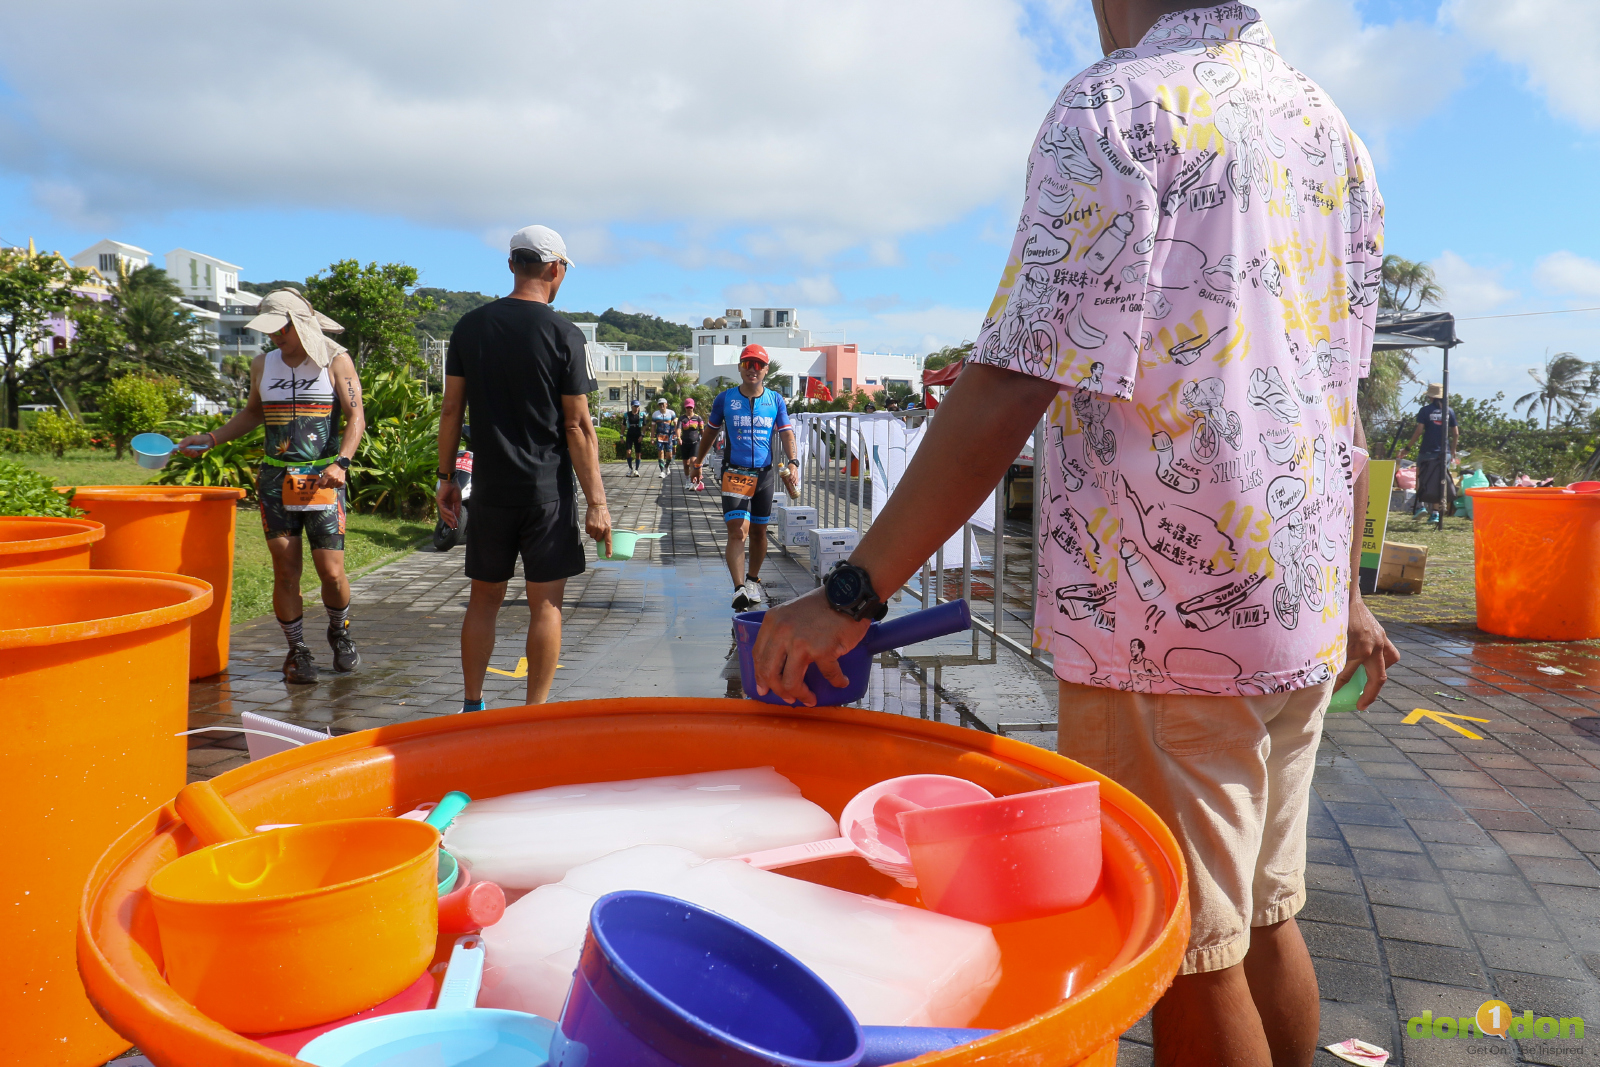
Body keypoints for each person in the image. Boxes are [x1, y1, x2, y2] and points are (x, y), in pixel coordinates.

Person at [750, 5, 1400, 1066]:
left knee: (1191, 943)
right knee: (1265, 910)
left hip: (1168, 608)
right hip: (1294, 605)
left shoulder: (1119, 106)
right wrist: (1349, 593)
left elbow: (1010, 375)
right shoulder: (1328, 129)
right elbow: (1333, 390)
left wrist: (853, 591)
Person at [437, 224, 612, 711]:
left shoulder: (470, 327)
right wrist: (597, 502)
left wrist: (446, 479)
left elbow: (451, 410)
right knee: (546, 604)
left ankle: (472, 704)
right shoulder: (565, 335)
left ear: (511, 264)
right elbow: (577, 426)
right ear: (556, 268)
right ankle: (534, 712)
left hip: (490, 488)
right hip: (546, 494)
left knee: (483, 599)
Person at [179, 289, 365, 684]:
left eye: (281, 328)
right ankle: (297, 652)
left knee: (331, 572)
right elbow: (252, 414)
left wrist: (342, 463)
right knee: (285, 571)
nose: (275, 337)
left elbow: (356, 417)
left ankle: (341, 632)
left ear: (300, 324)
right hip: (275, 479)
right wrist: (211, 438)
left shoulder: (335, 360)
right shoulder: (263, 364)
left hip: (323, 479)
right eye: (271, 330)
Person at [695, 344, 800, 610]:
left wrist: (794, 462)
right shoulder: (725, 398)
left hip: (764, 474)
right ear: (740, 367)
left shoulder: (775, 400)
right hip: (735, 473)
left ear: (766, 370)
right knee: (738, 532)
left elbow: (787, 433)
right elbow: (709, 433)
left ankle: (752, 580)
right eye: (747, 364)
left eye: (758, 365)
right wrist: (698, 461)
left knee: (759, 531)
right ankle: (739, 587)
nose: (752, 370)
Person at [1401, 383, 1458, 523]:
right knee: (1440, 481)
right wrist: (1453, 450)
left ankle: (1420, 506)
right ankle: (1435, 513)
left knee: (1420, 477)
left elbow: (1419, 431)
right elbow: (1456, 433)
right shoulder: (1449, 411)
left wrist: (1407, 448)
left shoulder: (1425, 411)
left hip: (1427, 451)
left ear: (1430, 396)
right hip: (1444, 453)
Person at [680, 397, 706, 489]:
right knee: (686, 464)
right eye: (687, 407)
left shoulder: (698, 418)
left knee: (693, 462)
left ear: (693, 407)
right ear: (685, 407)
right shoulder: (682, 418)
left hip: (695, 443)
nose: (689, 409)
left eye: (690, 407)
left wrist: (705, 440)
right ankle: (687, 480)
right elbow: (678, 429)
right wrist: (679, 437)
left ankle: (692, 481)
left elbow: (702, 431)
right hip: (684, 443)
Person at [651, 397, 677, 480]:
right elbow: (653, 427)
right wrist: (652, 437)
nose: (661, 405)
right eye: (660, 404)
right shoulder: (655, 414)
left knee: (669, 455)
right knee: (660, 452)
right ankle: (662, 471)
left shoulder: (671, 413)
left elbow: (676, 424)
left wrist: (676, 434)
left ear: (666, 404)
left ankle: (666, 466)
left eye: (663, 404)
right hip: (659, 436)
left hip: (669, 436)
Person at [622, 399, 645, 476]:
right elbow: (623, 425)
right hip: (630, 434)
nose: (637, 408)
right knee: (628, 452)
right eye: (635, 406)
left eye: (638, 406)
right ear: (632, 406)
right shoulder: (627, 415)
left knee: (638, 453)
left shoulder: (641, 415)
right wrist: (621, 436)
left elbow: (644, 426)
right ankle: (630, 468)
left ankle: (636, 469)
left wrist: (642, 435)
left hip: (638, 434)